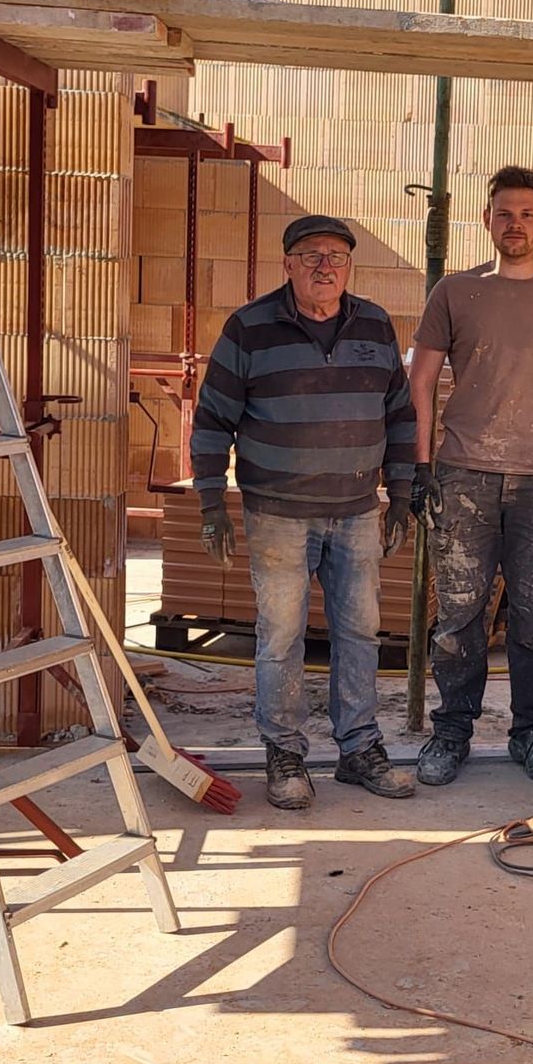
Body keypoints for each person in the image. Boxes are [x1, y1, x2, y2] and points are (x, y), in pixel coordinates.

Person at [192, 214, 417, 810]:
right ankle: (284, 752)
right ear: (287, 264)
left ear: (350, 267)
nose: (325, 266)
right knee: (281, 638)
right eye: (312, 255)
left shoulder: (375, 324)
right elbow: (212, 418)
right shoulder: (249, 328)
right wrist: (211, 502)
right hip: (278, 515)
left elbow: (400, 414)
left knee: (360, 633)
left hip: (356, 511)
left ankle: (359, 748)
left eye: (337, 256)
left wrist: (401, 494)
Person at [409, 165, 533, 787]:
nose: (514, 224)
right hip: (463, 476)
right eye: (503, 213)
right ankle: (452, 732)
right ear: (486, 220)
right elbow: (420, 381)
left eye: (525, 214)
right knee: (459, 617)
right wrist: (420, 466)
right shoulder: (453, 292)